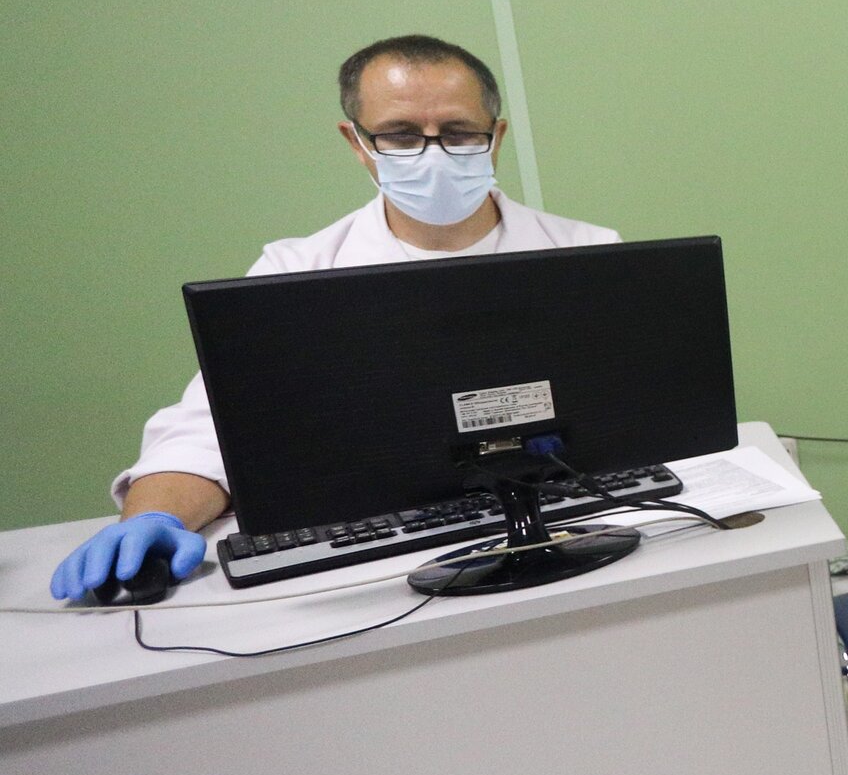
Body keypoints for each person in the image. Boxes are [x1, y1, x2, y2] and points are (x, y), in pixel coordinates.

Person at [50, 36, 618, 601]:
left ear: (496, 137)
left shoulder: (590, 255)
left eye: (458, 132)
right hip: (382, 568)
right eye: (400, 135)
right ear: (358, 142)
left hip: (585, 530)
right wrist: (153, 519)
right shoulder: (292, 274)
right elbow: (210, 434)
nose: (434, 154)